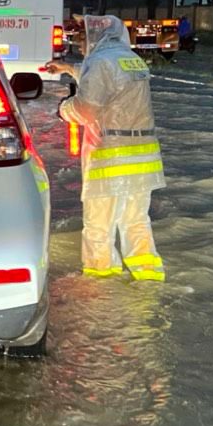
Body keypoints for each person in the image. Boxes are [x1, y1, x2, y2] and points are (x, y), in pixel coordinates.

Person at [43, 15, 166, 282]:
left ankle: (101, 282)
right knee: (136, 221)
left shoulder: (100, 63)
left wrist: (63, 109)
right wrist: (67, 68)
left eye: (83, 38)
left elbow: (86, 109)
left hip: (110, 157)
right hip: (143, 158)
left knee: (99, 225)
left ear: (96, 36)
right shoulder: (130, 58)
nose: (81, 43)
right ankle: (148, 278)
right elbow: (110, 79)